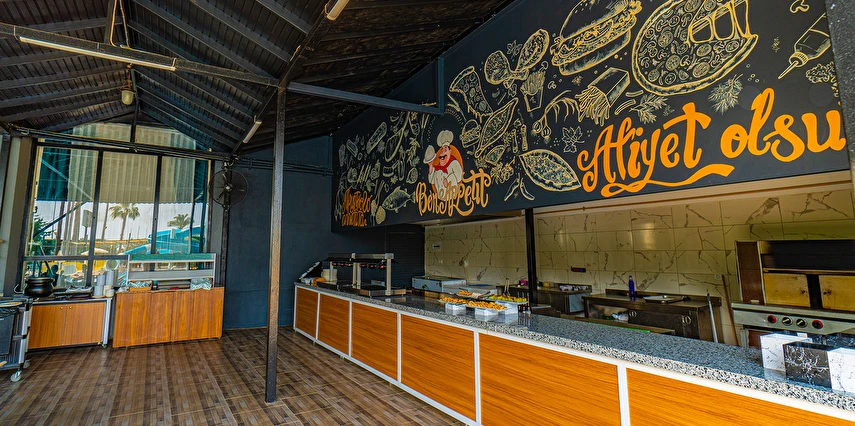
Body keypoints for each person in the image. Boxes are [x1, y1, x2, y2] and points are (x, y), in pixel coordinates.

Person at [427, 130, 463, 201]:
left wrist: (448, 180)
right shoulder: (437, 169)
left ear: (450, 151)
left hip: (451, 196)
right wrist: (430, 165)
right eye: (442, 150)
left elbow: (459, 177)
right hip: (440, 199)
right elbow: (431, 181)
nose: (443, 151)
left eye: (445, 149)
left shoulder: (454, 163)